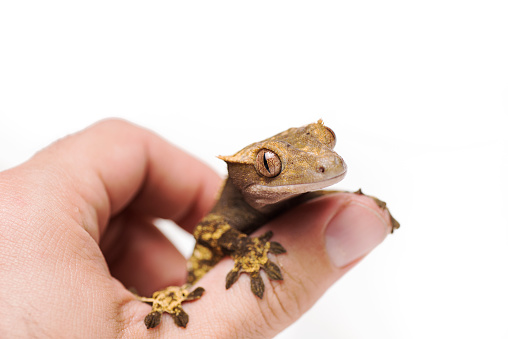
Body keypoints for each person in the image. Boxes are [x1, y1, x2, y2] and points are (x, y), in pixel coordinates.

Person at [0, 119, 392, 338]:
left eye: (327, 141)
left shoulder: (295, 193)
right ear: (245, 176)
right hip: (191, 285)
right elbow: (207, 232)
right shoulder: (226, 218)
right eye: (272, 165)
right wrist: (246, 250)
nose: (326, 164)